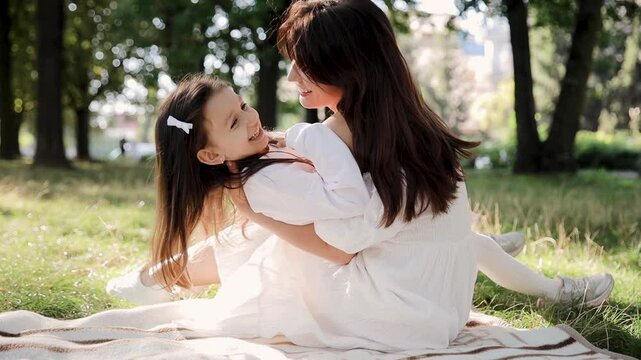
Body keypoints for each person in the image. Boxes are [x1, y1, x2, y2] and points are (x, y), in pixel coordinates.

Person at [108, 0, 613, 350]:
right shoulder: (407, 122)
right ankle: (561, 289)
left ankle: (159, 275)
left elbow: (341, 246)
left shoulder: (340, 138)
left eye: (302, 67)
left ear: (346, 69)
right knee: (466, 242)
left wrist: (258, 212)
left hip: (399, 315)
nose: (290, 80)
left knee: (267, 238)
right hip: (438, 299)